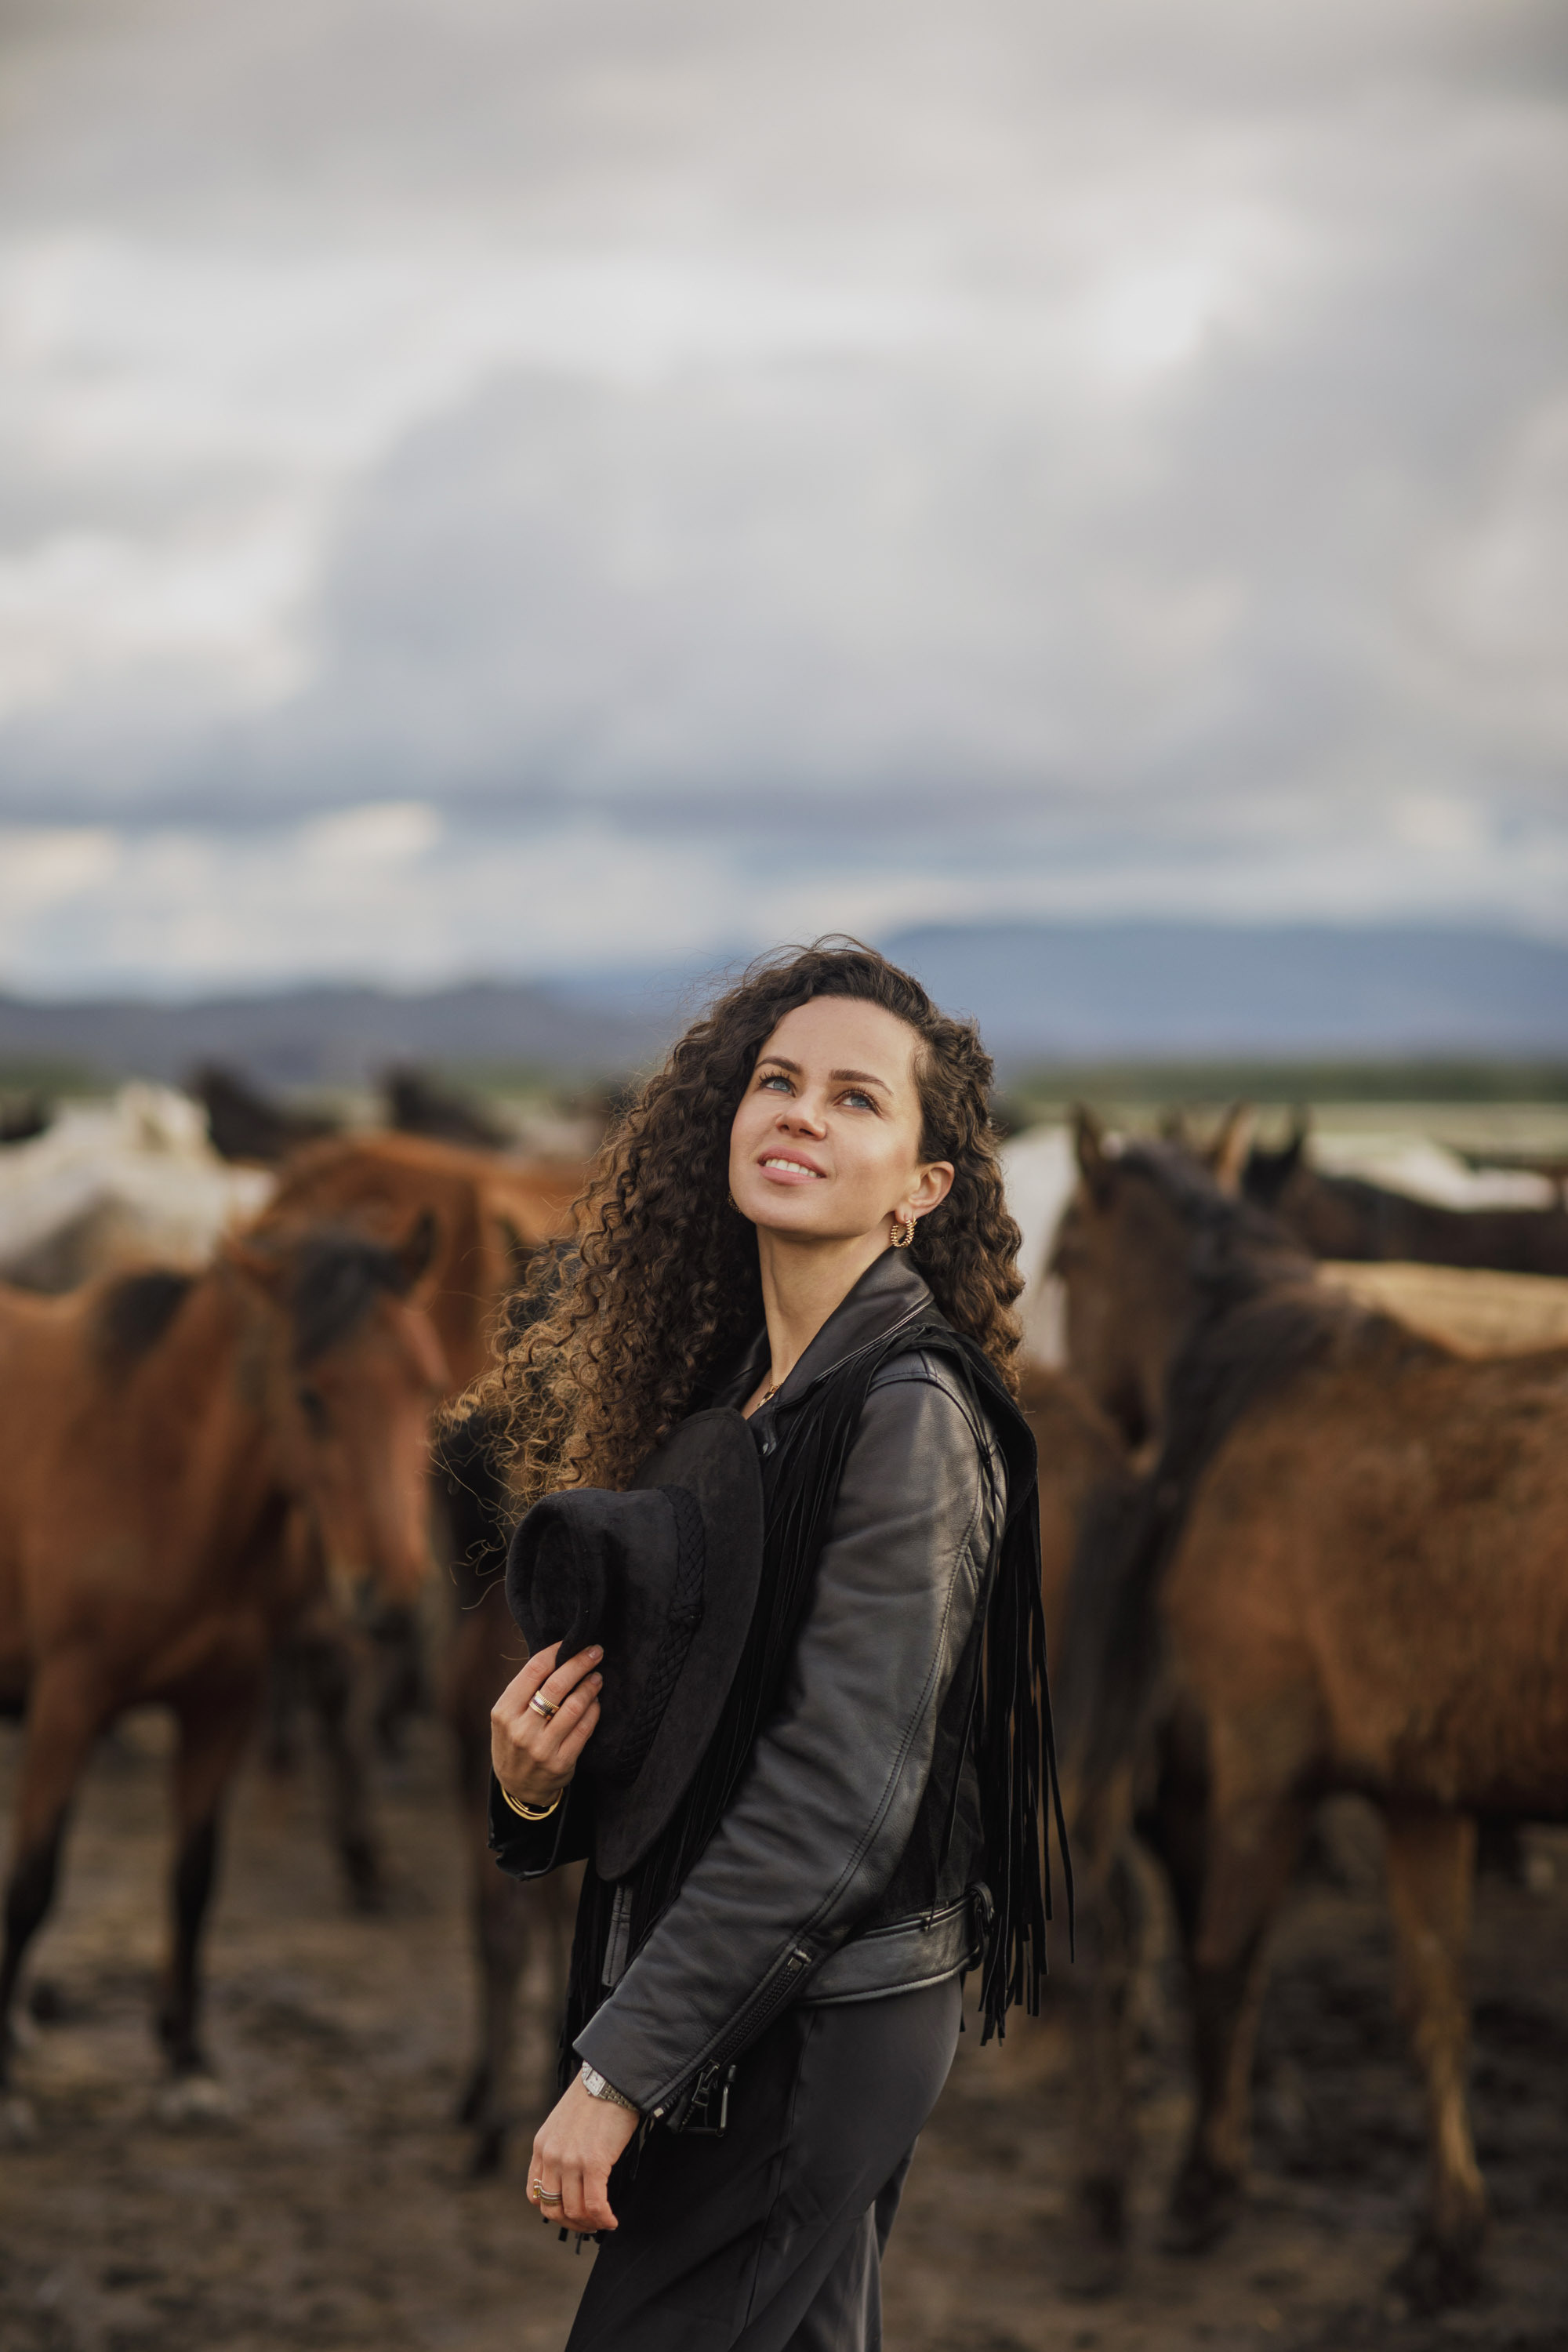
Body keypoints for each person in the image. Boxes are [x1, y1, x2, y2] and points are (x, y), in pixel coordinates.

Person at [480, 941, 1065, 2352]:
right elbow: (693, 1741)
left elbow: (837, 1800)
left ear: (924, 1188)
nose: (800, 1112)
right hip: (743, 2001)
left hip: (816, 2028)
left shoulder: (910, 1414)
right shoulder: (740, 1400)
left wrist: (618, 2075)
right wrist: (534, 1785)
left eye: (857, 1100)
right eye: (777, 1082)